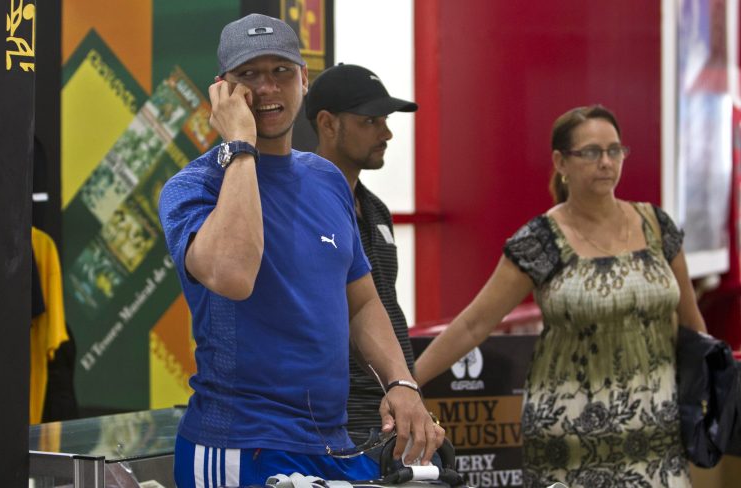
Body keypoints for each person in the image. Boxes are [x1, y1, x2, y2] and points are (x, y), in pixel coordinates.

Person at [158, 13, 441, 488]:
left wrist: (401, 382)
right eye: (248, 75)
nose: (267, 88)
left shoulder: (326, 179)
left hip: (332, 443)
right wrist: (240, 145)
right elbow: (233, 274)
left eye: (281, 72)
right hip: (240, 447)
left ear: (304, 80)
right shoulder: (193, 186)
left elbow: (362, 300)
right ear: (222, 91)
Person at [413, 105, 707, 488]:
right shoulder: (541, 240)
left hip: (658, 431)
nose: (605, 162)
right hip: (569, 438)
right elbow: (474, 324)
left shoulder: (657, 226)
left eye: (614, 150)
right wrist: (406, 382)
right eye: (590, 152)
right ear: (561, 162)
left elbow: (691, 321)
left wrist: (707, 390)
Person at [305, 63, 420, 449]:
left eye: (385, 120)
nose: (386, 133)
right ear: (327, 123)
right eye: (371, 121)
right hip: (333, 421)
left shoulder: (376, 211)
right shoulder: (297, 207)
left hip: (395, 408)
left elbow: (382, 306)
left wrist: (405, 385)